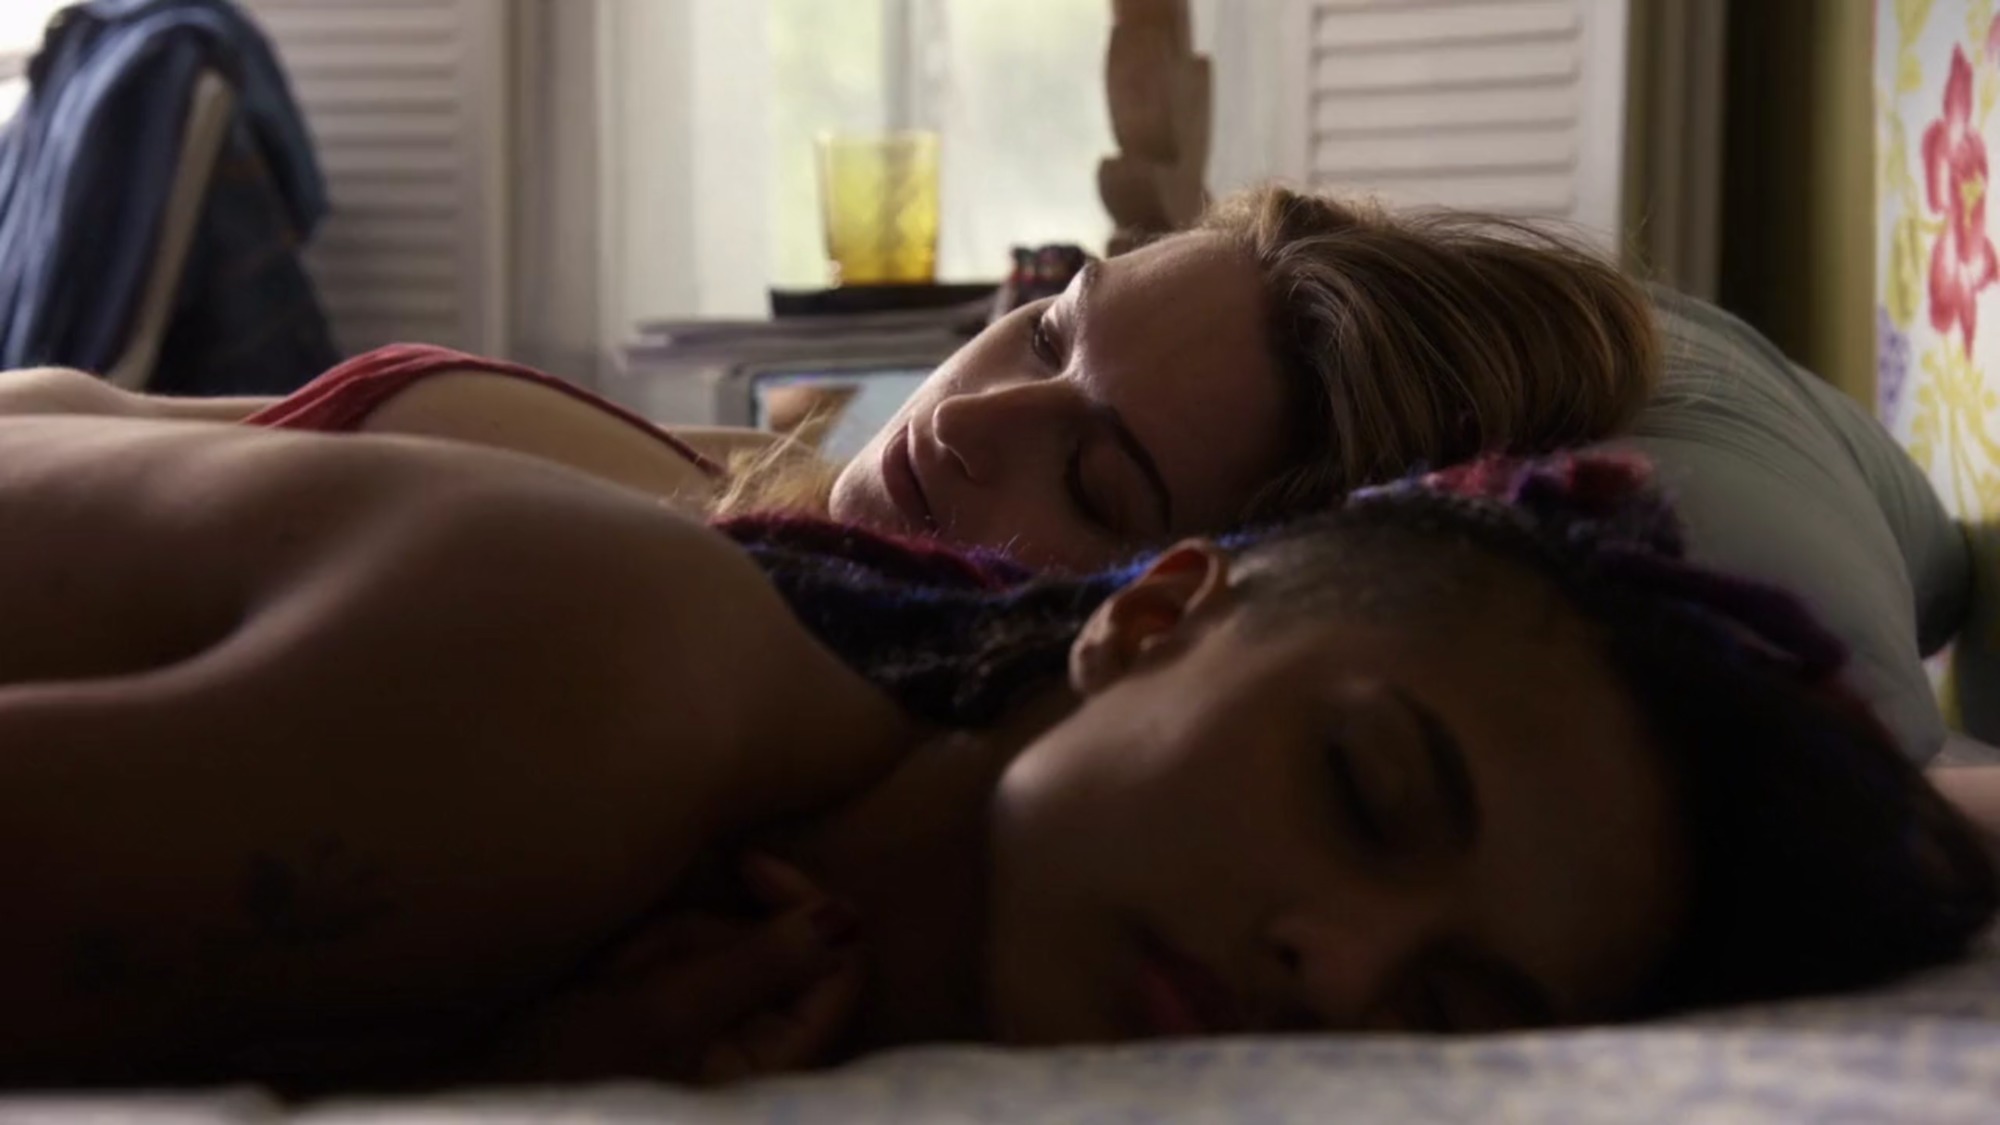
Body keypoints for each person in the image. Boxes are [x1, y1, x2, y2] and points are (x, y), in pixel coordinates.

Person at [0, 408, 1987, 1089]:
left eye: (1447, 1010)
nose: (1336, 965)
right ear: (1156, 612)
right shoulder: (597, 705)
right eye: (1364, 792)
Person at [0, 185, 1967, 768]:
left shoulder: (717, 671)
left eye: (1096, 477)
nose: (964, 418)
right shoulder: (761, 482)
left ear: (1174, 604)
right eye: (1043, 327)